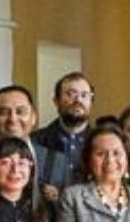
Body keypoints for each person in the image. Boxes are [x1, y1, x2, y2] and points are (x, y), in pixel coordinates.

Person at [33, 72, 95, 202]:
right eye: (71, 94)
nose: (78, 100)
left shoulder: (100, 142)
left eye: (84, 95)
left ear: (91, 102)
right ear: (56, 101)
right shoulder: (36, 142)